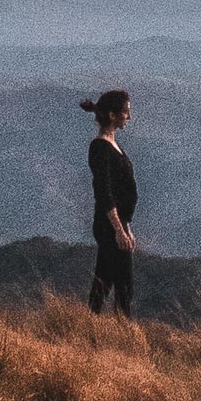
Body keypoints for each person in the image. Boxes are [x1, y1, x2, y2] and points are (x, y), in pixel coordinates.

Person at [80, 89, 137, 316]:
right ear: (112, 115)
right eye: (125, 112)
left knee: (104, 281)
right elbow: (104, 192)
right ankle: (123, 328)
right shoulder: (100, 147)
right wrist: (119, 230)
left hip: (116, 223)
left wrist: (127, 227)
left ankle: (89, 322)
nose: (129, 117)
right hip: (109, 226)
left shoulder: (112, 144)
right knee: (123, 285)